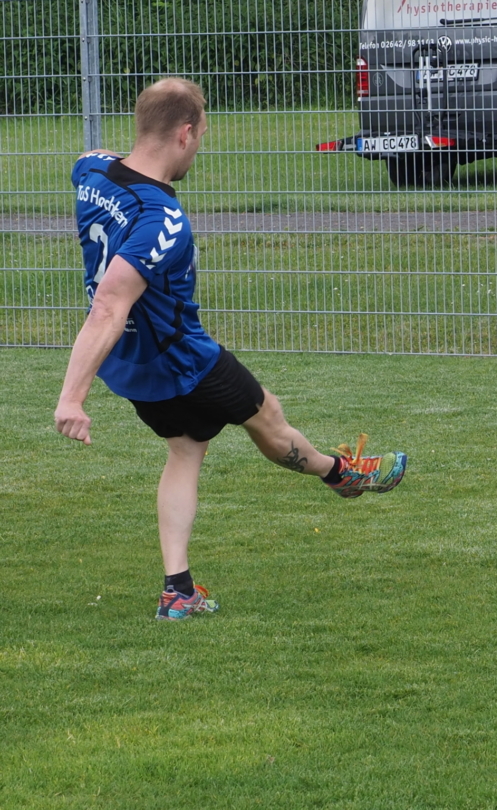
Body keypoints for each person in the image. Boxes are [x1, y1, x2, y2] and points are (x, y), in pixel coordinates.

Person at [54, 78, 406, 621]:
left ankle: (178, 590)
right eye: (199, 137)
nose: (198, 148)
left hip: (131, 365)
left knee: (186, 448)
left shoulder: (91, 173)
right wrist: (71, 399)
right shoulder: (162, 220)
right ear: (185, 133)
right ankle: (341, 473)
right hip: (184, 358)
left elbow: (91, 156)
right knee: (268, 417)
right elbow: (108, 305)